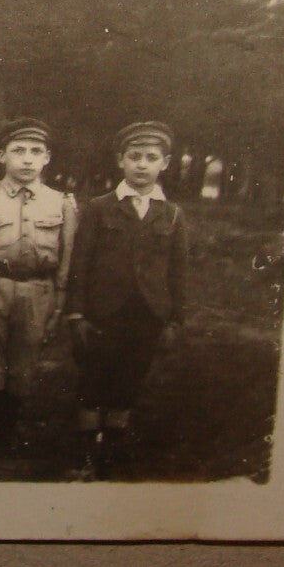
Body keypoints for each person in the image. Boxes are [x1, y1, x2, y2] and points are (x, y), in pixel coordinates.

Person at [65, 121, 190, 478]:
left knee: (128, 380)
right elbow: (80, 263)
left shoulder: (172, 214)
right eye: (134, 156)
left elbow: (178, 272)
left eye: (151, 158)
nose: (142, 165)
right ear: (121, 160)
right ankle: (86, 454)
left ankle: (113, 449)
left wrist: (175, 318)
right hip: (103, 313)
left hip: (147, 313)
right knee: (93, 380)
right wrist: (76, 313)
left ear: (165, 163)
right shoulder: (99, 207)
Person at [0, 117, 77, 459]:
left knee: (23, 365)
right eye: (18, 150)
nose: (27, 159)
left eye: (36, 151)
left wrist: (58, 307)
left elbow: (65, 261)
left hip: (38, 291)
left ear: (47, 158)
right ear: (1, 156)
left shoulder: (61, 203)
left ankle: (6, 438)